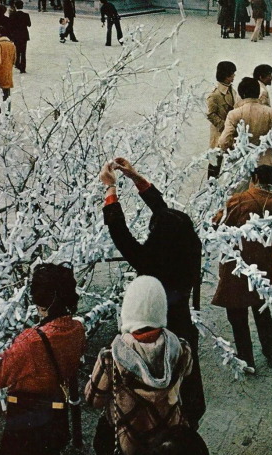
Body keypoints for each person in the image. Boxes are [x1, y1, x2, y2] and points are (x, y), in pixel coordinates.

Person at [98, 158, 205, 428]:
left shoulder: (151, 262)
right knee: (185, 399)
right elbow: (164, 212)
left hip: (155, 338)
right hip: (182, 327)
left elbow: (120, 234)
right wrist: (137, 179)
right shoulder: (189, 245)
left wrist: (110, 189)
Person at [85, 275, 194, 455]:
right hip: (169, 441)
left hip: (129, 440)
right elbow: (187, 373)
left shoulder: (110, 356)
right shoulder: (182, 348)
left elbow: (94, 400)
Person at [0, 263, 85, 455]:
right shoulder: (76, 329)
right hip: (55, 414)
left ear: (42, 304)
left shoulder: (30, 342)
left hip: (27, 421)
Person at [212, 165, 272, 372]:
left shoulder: (239, 199)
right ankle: (271, 352)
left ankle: (246, 358)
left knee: (237, 315)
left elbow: (219, 223)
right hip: (264, 265)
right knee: (262, 311)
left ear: (254, 178)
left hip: (238, 265)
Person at [218, 77, 272, 167]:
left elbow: (224, 141)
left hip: (240, 163)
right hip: (265, 162)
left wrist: (233, 149)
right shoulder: (271, 113)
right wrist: (271, 149)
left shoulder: (234, 114)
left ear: (242, 94)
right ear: (258, 93)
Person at [206, 60, 236, 178]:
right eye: (232, 74)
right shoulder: (215, 95)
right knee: (214, 165)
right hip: (219, 134)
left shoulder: (231, 90)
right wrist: (225, 126)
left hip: (230, 133)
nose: (234, 76)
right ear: (226, 76)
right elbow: (211, 114)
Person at [0, 26, 16, 102]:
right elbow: (14, 59)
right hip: (8, 74)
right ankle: (7, 112)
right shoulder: (12, 45)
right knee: (7, 96)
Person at [10, 0, 31, 73]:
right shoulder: (26, 15)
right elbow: (29, 24)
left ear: (15, 6)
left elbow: (11, 26)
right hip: (24, 34)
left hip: (16, 34)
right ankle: (23, 67)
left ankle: (17, 63)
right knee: (23, 52)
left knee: (17, 51)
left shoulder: (12, 15)